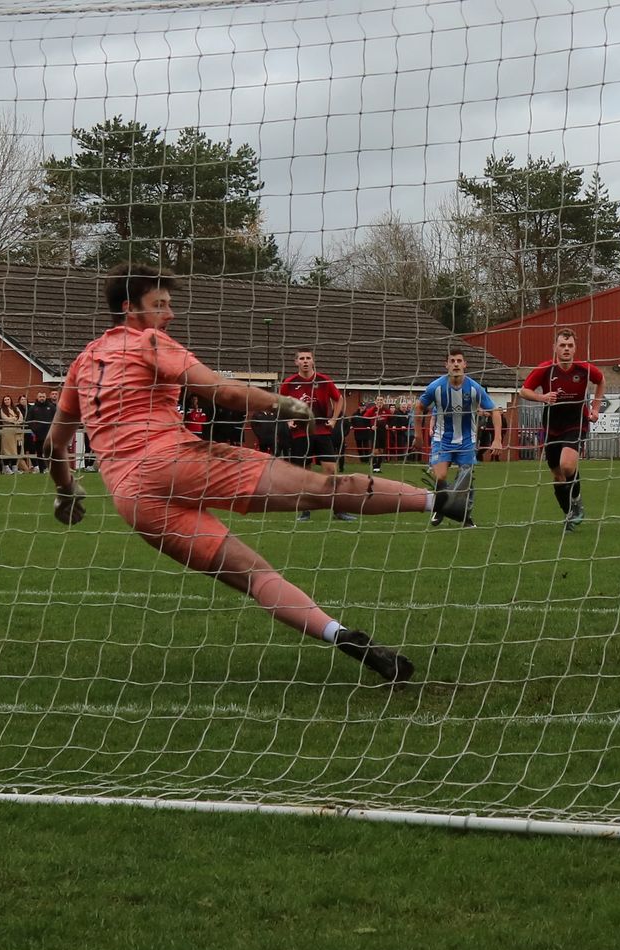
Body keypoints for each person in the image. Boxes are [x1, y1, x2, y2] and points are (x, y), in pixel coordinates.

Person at [43, 264, 471, 684]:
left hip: (134, 500)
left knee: (257, 576)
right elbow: (222, 391)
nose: (169, 314)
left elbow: (55, 444)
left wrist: (66, 490)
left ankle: (344, 637)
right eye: (161, 305)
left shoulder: (83, 363)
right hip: (176, 461)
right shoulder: (149, 342)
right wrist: (285, 404)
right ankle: (441, 501)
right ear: (128, 308)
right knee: (323, 487)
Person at [518, 328, 604, 532]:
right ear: (554, 347)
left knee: (567, 466)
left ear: (575, 349)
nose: (566, 349)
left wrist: (595, 408)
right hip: (551, 427)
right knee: (557, 475)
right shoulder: (545, 369)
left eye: (570, 345)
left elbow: (601, 381)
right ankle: (569, 514)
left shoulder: (585, 369)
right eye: (562, 345)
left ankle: (577, 500)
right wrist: (542, 397)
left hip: (576, 422)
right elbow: (523, 391)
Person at [419, 349, 498, 527]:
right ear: (446, 365)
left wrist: (498, 439)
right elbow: (418, 407)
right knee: (440, 476)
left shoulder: (474, 388)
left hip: (466, 441)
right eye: (452, 361)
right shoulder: (436, 387)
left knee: (466, 480)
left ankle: (465, 517)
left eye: (459, 361)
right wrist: (417, 433)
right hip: (442, 440)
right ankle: (440, 508)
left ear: (464, 364)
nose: (455, 364)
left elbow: (495, 411)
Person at [278, 349, 353, 522]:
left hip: (322, 431)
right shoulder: (289, 383)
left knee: (331, 470)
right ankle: (305, 511)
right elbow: (279, 403)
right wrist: (288, 419)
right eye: (301, 358)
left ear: (313, 361)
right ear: (296, 362)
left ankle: (339, 510)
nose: (305, 361)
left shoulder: (324, 380)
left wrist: (334, 419)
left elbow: (339, 399)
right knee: (304, 473)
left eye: (308, 358)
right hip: (300, 433)